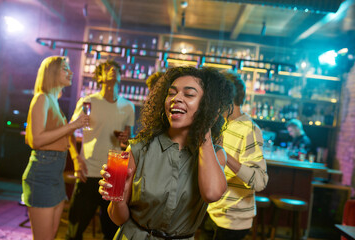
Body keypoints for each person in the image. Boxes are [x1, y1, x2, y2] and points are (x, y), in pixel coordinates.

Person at [98, 66, 235, 239]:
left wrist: (205, 127)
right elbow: (119, 219)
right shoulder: (139, 148)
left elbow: (212, 194)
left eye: (189, 94)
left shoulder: (215, 155)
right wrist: (117, 198)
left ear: (206, 105)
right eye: (171, 93)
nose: (176, 98)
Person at [66, 60, 135, 240]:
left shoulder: (128, 106)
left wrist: (126, 140)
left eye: (116, 69)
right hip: (88, 171)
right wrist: (75, 160)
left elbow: (129, 143)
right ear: (99, 77)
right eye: (107, 69)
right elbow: (70, 131)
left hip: (114, 174)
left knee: (112, 233)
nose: (113, 70)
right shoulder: (88, 102)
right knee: (74, 230)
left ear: (121, 77)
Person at [22, 56, 89, 240]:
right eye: (65, 69)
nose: (71, 72)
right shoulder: (41, 98)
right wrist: (72, 125)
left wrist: (76, 158)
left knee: (50, 236)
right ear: (52, 72)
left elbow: (63, 138)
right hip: (42, 173)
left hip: (55, 174)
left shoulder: (53, 100)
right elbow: (36, 140)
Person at [198, 71, 268, 240]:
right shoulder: (221, 124)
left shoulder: (249, 130)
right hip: (213, 211)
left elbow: (260, 181)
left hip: (233, 220)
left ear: (226, 99)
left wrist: (225, 155)